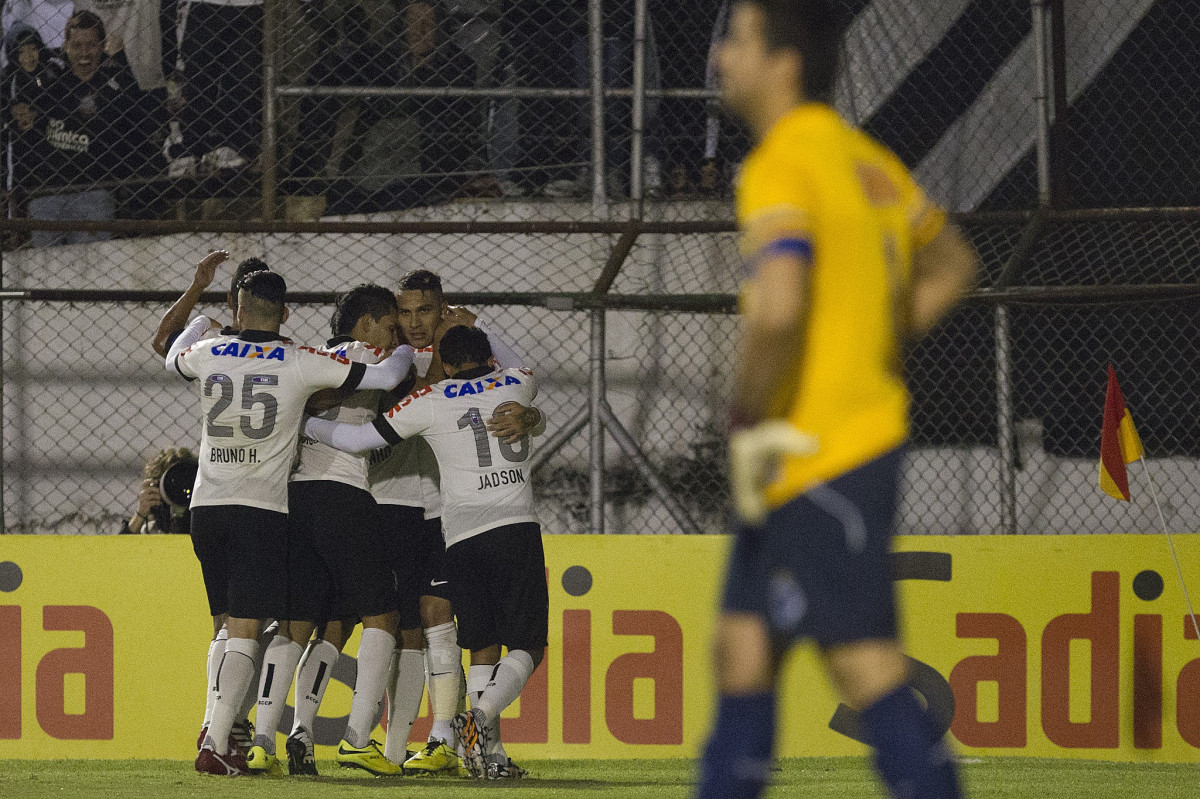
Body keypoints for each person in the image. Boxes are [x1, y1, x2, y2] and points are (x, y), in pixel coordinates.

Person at [698, 3, 979, 799]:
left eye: (737, 40)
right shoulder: (870, 163)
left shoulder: (781, 164)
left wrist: (746, 414)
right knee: (743, 649)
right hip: (825, 453)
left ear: (783, 61)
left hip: (820, 452)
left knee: (866, 665)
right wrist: (874, 345)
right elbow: (955, 262)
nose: (720, 56)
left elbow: (780, 310)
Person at [165, 269, 415, 776]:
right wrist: (409, 347)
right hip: (267, 507)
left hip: (210, 508)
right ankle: (231, 742)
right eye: (393, 324)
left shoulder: (212, 350)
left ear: (238, 309)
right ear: (284, 314)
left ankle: (243, 734)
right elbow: (388, 376)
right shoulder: (304, 359)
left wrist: (202, 323)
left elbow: (171, 351)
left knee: (260, 623)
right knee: (256, 627)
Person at [304, 325, 547, 780]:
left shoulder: (431, 398)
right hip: (514, 528)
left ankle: (488, 758)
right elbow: (521, 363)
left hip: (459, 538)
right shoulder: (517, 382)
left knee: (482, 645)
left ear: (447, 364)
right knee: (530, 643)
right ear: (488, 358)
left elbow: (357, 441)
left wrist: (303, 421)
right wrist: (484, 326)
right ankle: (478, 717)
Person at [246, 284, 409, 778]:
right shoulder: (363, 356)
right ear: (364, 325)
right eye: (388, 324)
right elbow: (401, 370)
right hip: (342, 495)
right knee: (383, 615)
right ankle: (358, 739)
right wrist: (406, 348)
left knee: (310, 623)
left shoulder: (311, 359)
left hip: (297, 499)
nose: (391, 334)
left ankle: (271, 738)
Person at [27, 10, 161, 247]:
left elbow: (141, 126)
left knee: (92, 269)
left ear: (103, 46)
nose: (84, 53)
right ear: (66, 46)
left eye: (91, 45)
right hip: (47, 193)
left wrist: (120, 62)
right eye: (77, 45)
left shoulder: (116, 83)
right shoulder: (50, 83)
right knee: (44, 273)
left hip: (95, 192)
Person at [118, 447, 196, 534]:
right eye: (171, 481)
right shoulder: (151, 528)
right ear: (157, 485)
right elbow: (120, 546)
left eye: (185, 479)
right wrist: (140, 514)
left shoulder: (203, 518)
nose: (180, 486)